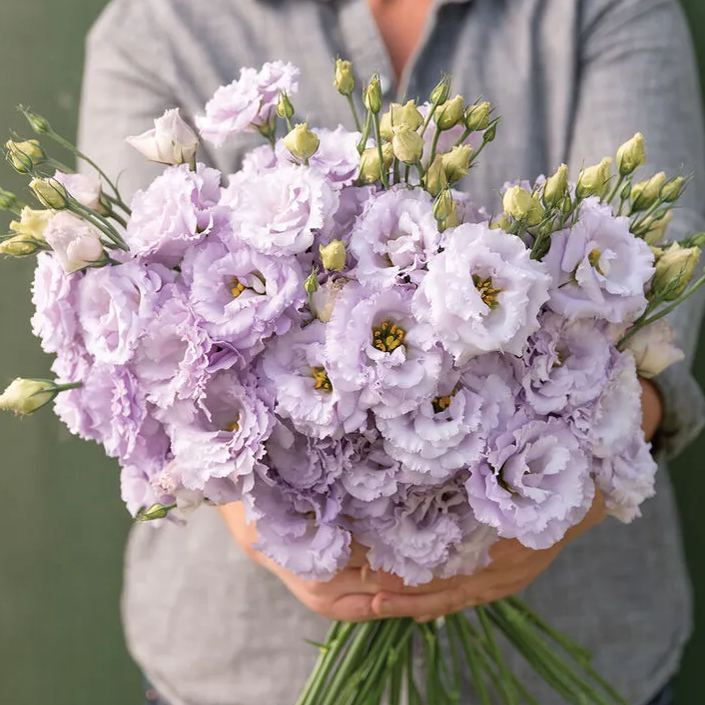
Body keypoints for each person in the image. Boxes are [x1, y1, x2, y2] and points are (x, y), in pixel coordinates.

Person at [78, 1, 705, 704]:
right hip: (244, 667)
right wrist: (263, 512)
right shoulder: (153, 25)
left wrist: (558, 500)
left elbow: (656, 282)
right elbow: (134, 320)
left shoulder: (609, 8)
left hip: (576, 658)